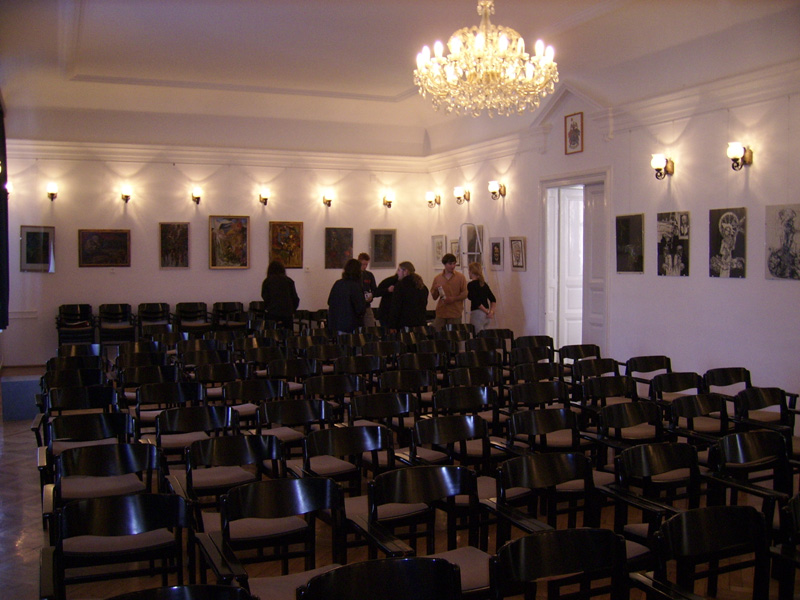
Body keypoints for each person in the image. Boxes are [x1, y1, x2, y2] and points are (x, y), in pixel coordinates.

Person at [327, 258, 367, 334]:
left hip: (336, 324)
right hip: (350, 325)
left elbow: (329, 302)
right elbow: (360, 309)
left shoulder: (338, 283)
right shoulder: (356, 286)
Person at [430, 253, 468, 331]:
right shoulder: (437, 278)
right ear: (445, 264)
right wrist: (435, 289)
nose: (452, 266)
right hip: (441, 313)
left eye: (454, 264)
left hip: (455, 313)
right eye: (450, 264)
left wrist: (453, 299)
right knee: (437, 334)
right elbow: (434, 297)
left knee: (454, 336)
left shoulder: (460, 277)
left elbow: (465, 294)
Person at [388, 261, 428, 332]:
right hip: (420, 324)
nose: (397, 273)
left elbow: (396, 307)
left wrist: (392, 325)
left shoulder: (400, 286)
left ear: (405, 271)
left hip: (404, 325)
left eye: (399, 270)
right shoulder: (422, 286)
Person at [260, 259, 299, 330]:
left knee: (271, 334)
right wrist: (292, 310)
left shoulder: (267, 281)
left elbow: (265, 297)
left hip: (272, 313)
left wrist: (269, 308)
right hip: (287, 314)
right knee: (288, 334)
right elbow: (295, 298)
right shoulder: (289, 281)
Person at [467, 262, 496, 333]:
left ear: (471, 272)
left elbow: (476, 302)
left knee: (477, 337)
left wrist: (486, 311)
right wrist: (491, 312)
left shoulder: (471, 285)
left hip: (478, 314)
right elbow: (493, 299)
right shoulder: (484, 284)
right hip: (487, 316)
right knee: (485, 336)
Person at [358, 252, 378, 328]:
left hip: (367, 305)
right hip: (356, 306)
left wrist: (371, 295)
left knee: (370, 326)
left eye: (366, 264)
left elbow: (375, 290)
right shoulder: (354, 276)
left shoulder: (369, 275)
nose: (364, 266)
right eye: (363, 264)